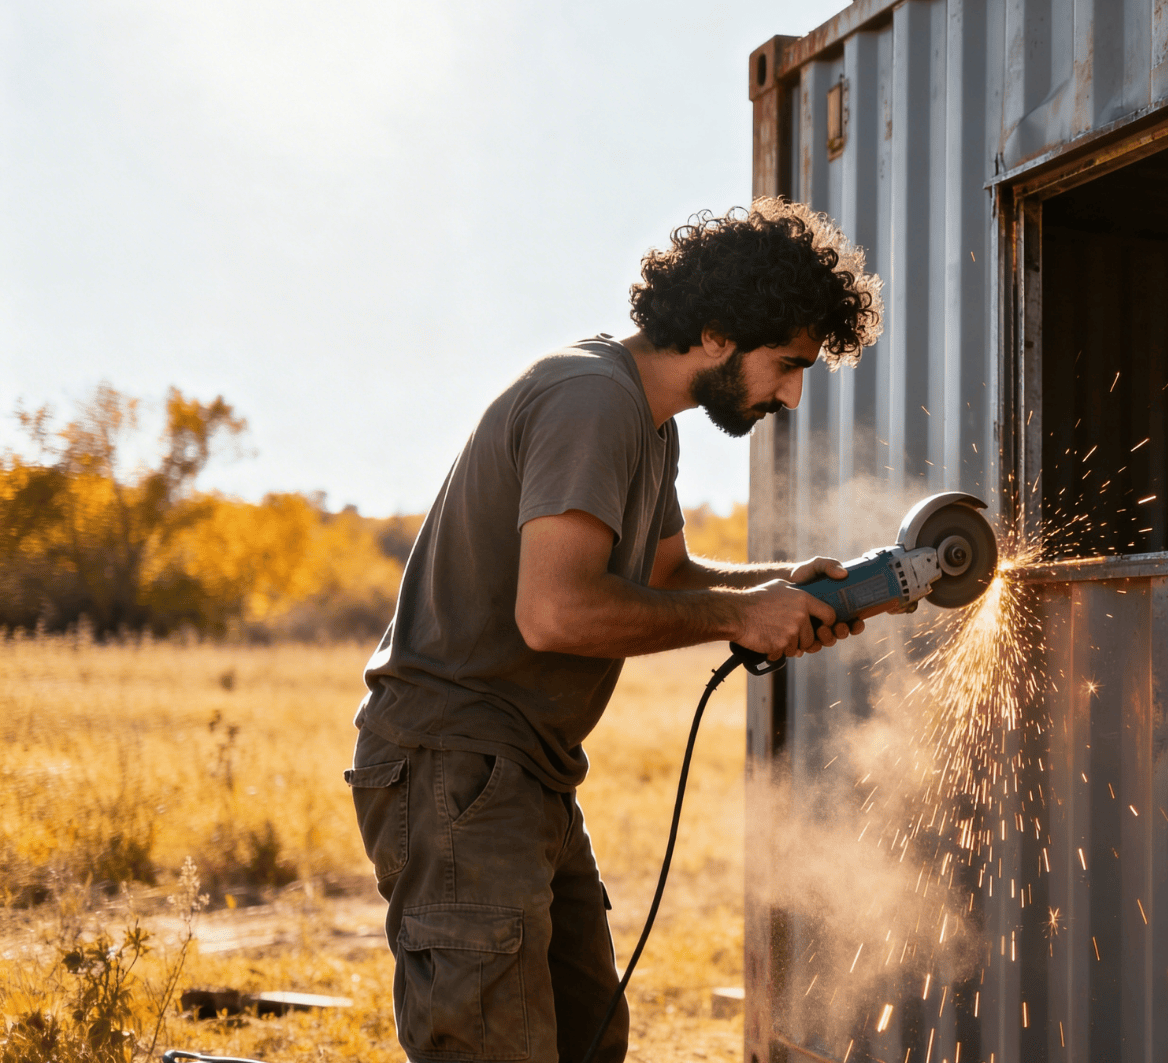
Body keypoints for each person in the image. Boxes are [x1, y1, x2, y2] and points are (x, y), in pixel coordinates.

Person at [345, 199, 882, 1063]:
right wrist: (745, 614)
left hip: (522, 774)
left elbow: (667, 576)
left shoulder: (647, 423)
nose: (791, 392)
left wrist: (776, 586)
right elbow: (554, 610)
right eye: (786, 364)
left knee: (588, 1036)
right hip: (455, 765)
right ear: (714, 332)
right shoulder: (589, 399)